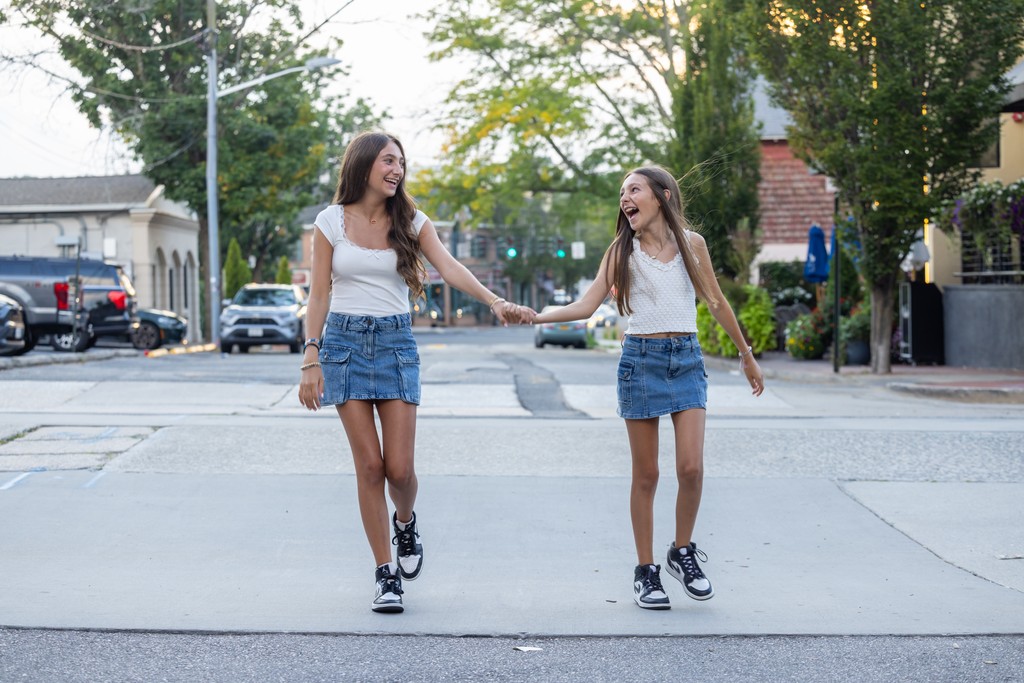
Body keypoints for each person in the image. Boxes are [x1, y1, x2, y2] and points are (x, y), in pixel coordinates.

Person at [297, 131, 529, 614]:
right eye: (388, 160)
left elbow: (450, 267)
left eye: (401, 162)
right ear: (363, 166)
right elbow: (318, 294)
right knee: (369, 467)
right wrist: (310, 357)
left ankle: (406, 523)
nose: (396, 169)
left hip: (396, 344)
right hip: (342, 344)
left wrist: (494, 300)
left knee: (399, 469)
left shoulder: (412, 221)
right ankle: (385, 574)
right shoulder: (329, 222)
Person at [531, 165, 765, 610]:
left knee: (691, 468)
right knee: (647, 474)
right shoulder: (622, 251)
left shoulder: (692, 246)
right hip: (640, 362)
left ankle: (682, 551)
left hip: (688, 360)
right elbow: (584, 305)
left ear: (662, 196)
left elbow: (715, 301)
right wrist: (535, 315)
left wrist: (746, 354)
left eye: (633, 190)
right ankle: (645, 572)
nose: (625, 198)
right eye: (622, 193)